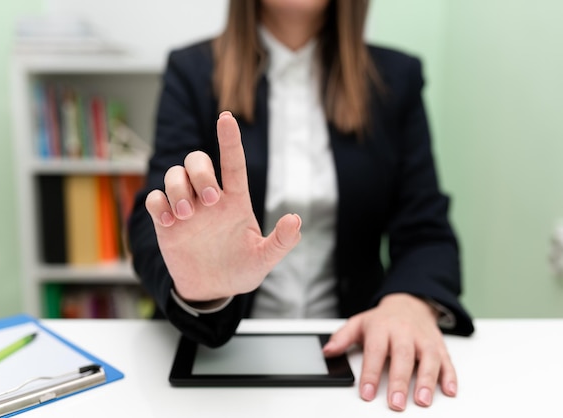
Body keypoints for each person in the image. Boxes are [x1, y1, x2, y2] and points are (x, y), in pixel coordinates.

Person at [128, 0, 474, 411]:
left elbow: (426, 231)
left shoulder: (397, 78)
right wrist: (204, 291)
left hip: (353, 351)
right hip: (221, 350)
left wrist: (409, 301)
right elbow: (153, 220)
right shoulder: (191, 70)